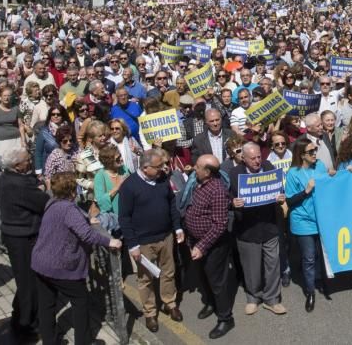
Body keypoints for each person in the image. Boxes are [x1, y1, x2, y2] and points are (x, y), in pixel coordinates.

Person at [31, 172, 122, 345]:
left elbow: (75, 220)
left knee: (47, 304)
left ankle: (49, 341)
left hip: (40, 263)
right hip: (60, 265)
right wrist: (110, 241)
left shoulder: (52, 202)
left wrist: (87, 219)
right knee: (80, 302)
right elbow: (87, 235)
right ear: (73, 192)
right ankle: (84, 341)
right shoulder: (68, 208)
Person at [118, 147, 185, 332]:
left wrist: (177, 226)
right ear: (146, 168)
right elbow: (124, 218)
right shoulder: (130, 186)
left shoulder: (163, 180)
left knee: (168, 272)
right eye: (158, 166)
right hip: (143, 242)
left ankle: (169, 303)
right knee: (146, 279)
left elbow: (172, 203)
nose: (163, 169)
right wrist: (132, 245)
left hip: (166, 236)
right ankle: (150, 313)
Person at [230, 142, 287, 316]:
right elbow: (226, 197)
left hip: (269, 226)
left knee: (272, 264)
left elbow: (279, 188)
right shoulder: (234, 174)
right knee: (251, 267)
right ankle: (253, 297)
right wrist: (233, 202)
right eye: (252, 158)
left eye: (258, 157)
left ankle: (272, 299)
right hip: (247, 229)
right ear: (243, 159)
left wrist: (281, 196)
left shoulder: (269, 167)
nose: (257, 161)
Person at [0, 148, 49, 340]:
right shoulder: (18, 184)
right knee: (28, 283)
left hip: (16, 236)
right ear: (17, 165)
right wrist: (43, 190)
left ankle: (20, 317)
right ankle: (25, 325)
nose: (30, 162)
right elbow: (43, 202)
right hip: (22, 238)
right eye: (27, 160)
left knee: (25, 280)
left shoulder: (7, 178)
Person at [184, 153, 238, 339]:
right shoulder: (199, 183)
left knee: (217, 282)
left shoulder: (217, 191)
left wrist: (202, 246)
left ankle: (225, 318)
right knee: (203, 277)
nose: (194, 168)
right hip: (195, 241)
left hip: (213, 245)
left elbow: (220, 225)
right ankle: (210, 303)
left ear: (207, 172)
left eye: (198, 166)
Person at [284, 138, 335, 311]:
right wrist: (306, 190)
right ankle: (310, 291)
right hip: (302, 221)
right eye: (311, 152)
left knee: (322, 255)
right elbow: (290, 201)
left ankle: (323, 282)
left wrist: (337, 174)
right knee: (309, 258)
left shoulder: (319, 166)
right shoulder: (292, 173)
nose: (315, 154)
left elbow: (330, 184)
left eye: (315, 150)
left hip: (321, 219)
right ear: (301, 155)